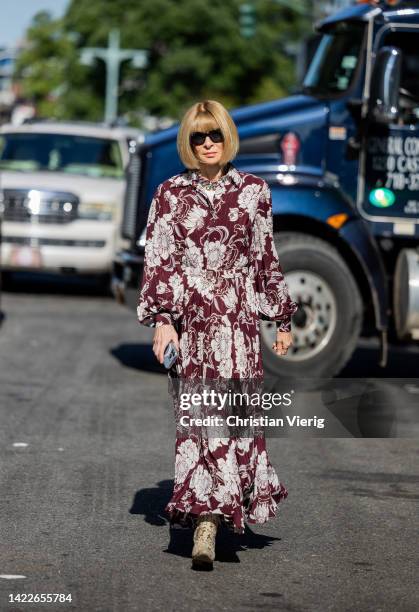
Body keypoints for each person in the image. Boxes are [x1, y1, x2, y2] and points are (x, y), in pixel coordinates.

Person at [136, 99, 299, 569]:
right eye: (197, 137)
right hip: (193, 327)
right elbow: (159, 259)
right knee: (199, 423)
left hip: (240, 326)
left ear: (228, 137)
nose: (207, 144)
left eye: (215, 136)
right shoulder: (169, 194)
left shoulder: (254, 191)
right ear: (187, 143)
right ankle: (206, 522)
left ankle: (219, 514)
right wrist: (163, 320)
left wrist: (281, 318)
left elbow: (265, 257)